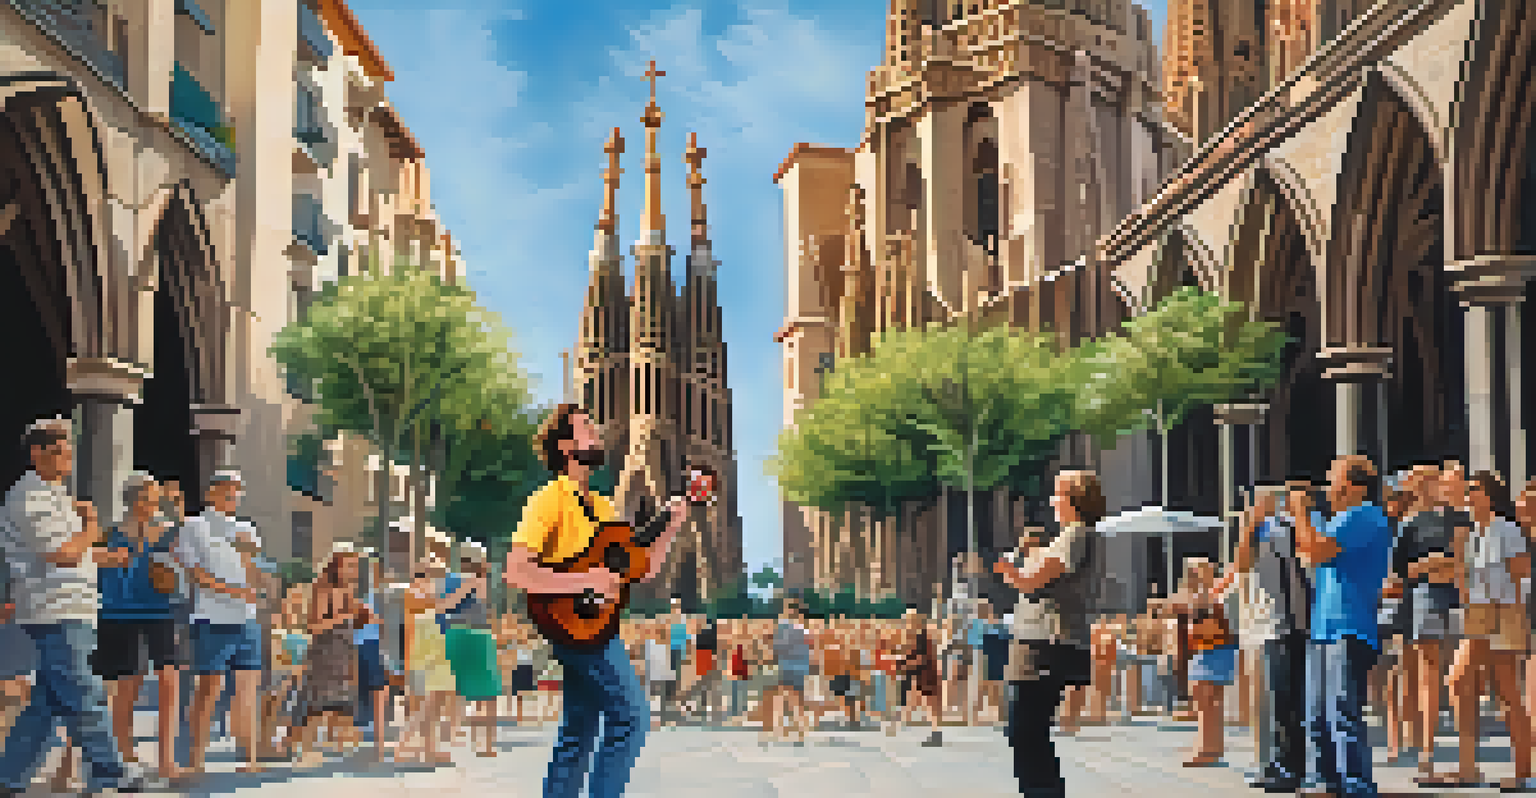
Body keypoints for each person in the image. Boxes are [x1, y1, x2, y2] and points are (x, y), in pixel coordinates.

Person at [504, 403, 687, 798]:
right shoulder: (547, 500)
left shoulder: (603, 507)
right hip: (573, 627)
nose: (597, 433)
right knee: (630, 717)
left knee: (579, 729)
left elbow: (641, 568)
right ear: (567, 446)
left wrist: (669, 527)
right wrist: (584, 579)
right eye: (587, 428)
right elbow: (518, 571)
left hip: (595, 625)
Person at [0, 418, 143, 796]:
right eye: (59, 449)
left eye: (68, 449)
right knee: (85, 692)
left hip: (72, 608)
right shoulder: (28, 497)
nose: (67, 457)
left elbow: (75, 552)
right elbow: (61, 555)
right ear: (37, 453)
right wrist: (92, 527)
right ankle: (110, 772)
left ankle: (7, 776)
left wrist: (105, 556)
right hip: (55, 611)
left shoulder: (56, 496)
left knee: (46, 703)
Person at [993, 469, 1108, 798]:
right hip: (1042, 641)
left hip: (1047, 643)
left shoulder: (1076, 535)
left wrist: (1007, 570)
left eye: (1057, 494)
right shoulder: (1071, 537)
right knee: (1028, 729)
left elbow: (1031, 581)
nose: (1052, 501)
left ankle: (1042, 792)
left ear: (1074, 499)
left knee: (1026, 729)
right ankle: (1042, 790)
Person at [1291, 455, 1393, 798]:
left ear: (1354, 486)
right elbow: (1307, 551)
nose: (1327, 484)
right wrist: (1304, 516)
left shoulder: (1364, 515)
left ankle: (1356, 785)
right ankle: (1326, 781)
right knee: (1317, 714)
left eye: (1333, 477)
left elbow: (1317, 551)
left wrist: (1302, 513)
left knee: (1342, 713)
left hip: (1350, 626)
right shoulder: (1338, 520)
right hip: (1325, 628)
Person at [1439, 471, 1531, 789]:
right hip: (1478, 611)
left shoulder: (1506, 529)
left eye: (1474, 489)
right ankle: (1469, 768)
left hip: (1504, 610)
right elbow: (1463, 582)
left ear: (1489, 496)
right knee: (1462, 681)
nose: (1468, 494)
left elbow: (1521, 574)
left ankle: (1521, 772)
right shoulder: (1473, 534)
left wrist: (1516, 620)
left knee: (1504, 691)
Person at [94, 472, 185, 781]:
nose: (152, 502)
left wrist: (175, 517)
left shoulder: (169, 531)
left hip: (160, 610)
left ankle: (166, 760)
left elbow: (185, 560)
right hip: (119, 612)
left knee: (169, 681)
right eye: (147, 497)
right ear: (133, 499)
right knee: (127, 685)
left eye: (154, 497)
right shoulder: (112, 533)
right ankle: (125, 755)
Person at [176, 470, 266, 776]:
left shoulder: (247, 529)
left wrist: (249, 558)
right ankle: (195, 761)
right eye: (227, 488)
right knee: (208, 689)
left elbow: (255, 574)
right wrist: (234, 591)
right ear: (211, 492)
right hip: (211, 618)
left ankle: (250, 760)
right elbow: (195, 573)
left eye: (237, 489)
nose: (233, 494)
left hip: (247, 619)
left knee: (248, 689)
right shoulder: (193, 526)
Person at [1393, 464, 1464, 784]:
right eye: (1419, 481)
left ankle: (1464, 754)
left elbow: (1465, 563)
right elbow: (1399, 571)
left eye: (1430, 479)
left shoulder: (1462, 518)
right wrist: (1430, 566)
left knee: (1464, 678)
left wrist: (1435, 564)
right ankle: (1426, 750)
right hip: (1424, 600)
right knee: (1427, 674)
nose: (1425, 486)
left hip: (1463, 600)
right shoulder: (1410, 523)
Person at [290, 548, 364, 768]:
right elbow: (314, 626)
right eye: (348, 565)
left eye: (355, 566)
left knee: (339, 703)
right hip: (325, 653)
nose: (352, 570)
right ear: (335, 565)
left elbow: (349, 624)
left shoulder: (348, 589)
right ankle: (304, 751)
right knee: (316, 703)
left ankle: (324, 749)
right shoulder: (323, 589)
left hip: (344, 651)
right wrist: (344, 615)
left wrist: (360, 617)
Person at [441, 542, 502, 757]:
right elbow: (445, 605)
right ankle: (484, 743)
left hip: (460, 634)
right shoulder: (473, 580)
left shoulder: (453, 579)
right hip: (473, 635)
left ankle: (458, 736)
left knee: (459, 688)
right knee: (487, 692)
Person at [769, 600, 812, 743]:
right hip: (798, 667)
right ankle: (797, 731)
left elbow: (782, 646)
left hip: (789, 667)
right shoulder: (804, 629)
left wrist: (773, 643)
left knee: (785, 698)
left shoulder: (789, 628)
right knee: (795, 699)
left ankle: (788, 730)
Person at [899, 608, 943, 746]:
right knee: (927, 705)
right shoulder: (918, 636)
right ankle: (934, 733)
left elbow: (922, 658)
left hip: (927, 674)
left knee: (931, 706)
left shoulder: (922, 637)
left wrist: (905, 665)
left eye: (909, 620)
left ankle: (936, 734)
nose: (907, 623)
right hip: (922, 674)